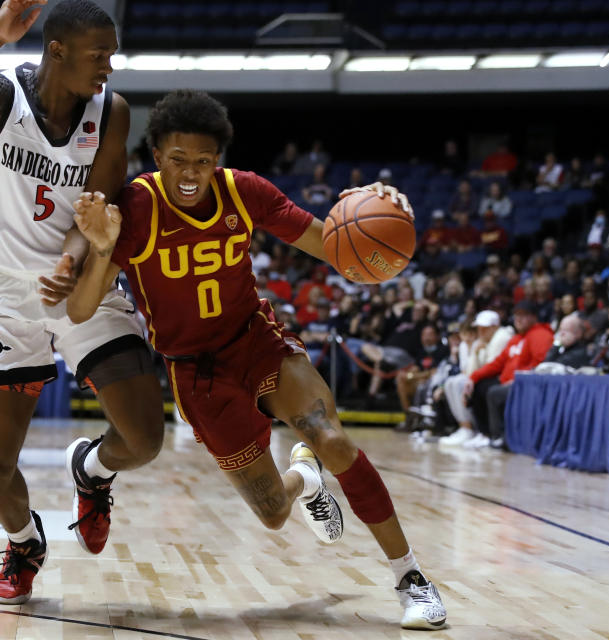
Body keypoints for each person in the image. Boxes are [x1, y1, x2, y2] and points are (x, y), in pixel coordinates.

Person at [68, 89, 447, 630]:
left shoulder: (244, 192)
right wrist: (103, 249)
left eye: (203, 161)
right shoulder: (135, 208)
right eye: (179, 161)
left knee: (333, 438)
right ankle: (304, 478)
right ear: (156, 157)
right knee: (273, 514)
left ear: (217, 159)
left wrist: (374, 210)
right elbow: (80, 310)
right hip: (195, 371)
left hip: (255, 339)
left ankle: (412, 578)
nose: (192, 173)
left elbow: (335, 248)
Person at [0, 0, 165, 605]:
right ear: (58, 50)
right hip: (4, 292)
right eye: (99, 54)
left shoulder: (113, 111)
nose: (109, 65)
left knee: (146, 441)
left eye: (112, 53)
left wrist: (72, 259)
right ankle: (24, 543)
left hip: (80, 281)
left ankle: (92, 471)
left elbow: (97, 200)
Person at [463, 301, 553, 449]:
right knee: (479, 385)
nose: (518, 319)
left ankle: (497, 436)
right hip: (507, 380)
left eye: (523, 316)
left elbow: (541, 365)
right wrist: (473, 377)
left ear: (534, 318)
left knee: (492, 392)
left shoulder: (540, 334)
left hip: (524, 383)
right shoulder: (517, 338)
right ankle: (484, 434)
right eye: (517, 315)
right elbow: (498, 363)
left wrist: (516, 380)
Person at [440, 310, 514, 446]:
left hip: (499, 378)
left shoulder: (501, 337)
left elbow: (491, 366)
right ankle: (464, 426)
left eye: (484, 328)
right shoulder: (484, 341)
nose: (480, 332)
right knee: (451, 382)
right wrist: (474, 353)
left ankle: (474, 429)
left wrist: (473, 377)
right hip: (485, 375)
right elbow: (471, 370)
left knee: (466, 384)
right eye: (479, 328)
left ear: (494, 327)